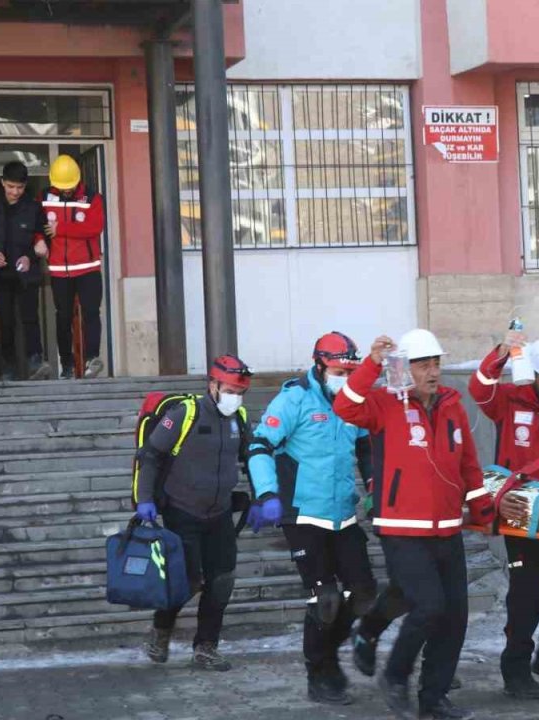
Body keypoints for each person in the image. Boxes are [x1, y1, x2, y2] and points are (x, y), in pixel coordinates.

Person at [333, 329, 495, 720]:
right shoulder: (385, 403)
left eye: (436, 363)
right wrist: (372, 364)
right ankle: (395, 675)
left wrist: (483, 508)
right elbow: (344, 405)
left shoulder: (453, 406)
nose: (433, 371)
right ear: (406, 368)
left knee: (455, 614)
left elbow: (468, 463)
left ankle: (433, 698)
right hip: (401, 527)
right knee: (428, 605)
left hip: (447, 527)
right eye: (423, 364)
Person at [245, 332, 380, 705]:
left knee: (364, 592)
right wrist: (268, 493)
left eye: (349, 371)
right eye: (338, 370)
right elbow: (259, 445)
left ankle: (330, 655)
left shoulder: (353, 400)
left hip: (342, 513)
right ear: (320, 364)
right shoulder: (294, 398)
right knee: (326, 596)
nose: (344, 378)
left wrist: (374, 487)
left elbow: (366, 447)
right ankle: (317, 673)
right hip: (304, 514)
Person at [467, 328, 539, 698]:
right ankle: (515, 671)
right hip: (521, 516)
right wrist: (500, 353)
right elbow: (480, 389)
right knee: (525, 598)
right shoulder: (509, 400)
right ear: (535, 372)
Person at [134, 354, 253, 672]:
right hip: (182, 511)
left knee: (222, 581)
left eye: (240, 391)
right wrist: (144, 499)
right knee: (188, 579)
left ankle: (206, 647)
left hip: (220, 514)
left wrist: (262, 496)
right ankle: (160, 632)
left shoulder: (238, 418)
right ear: (212, 384)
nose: (235, 397)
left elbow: (252, 457)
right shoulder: (185, 413)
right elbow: (151, 455)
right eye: (230, 389)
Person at [0, 161, 50, 381]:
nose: (15, 192)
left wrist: (32, 254)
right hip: (0, 275)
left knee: (30, 318)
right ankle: (7, 366)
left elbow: (43, 237)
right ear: (2, 182)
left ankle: (35, 361)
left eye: (19, 187)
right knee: (5, 322)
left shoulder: (34, 208)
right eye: (10, 187)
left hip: (26, 273)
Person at [41, 154, 105, 380]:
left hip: (88, 268)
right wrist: (38, 240)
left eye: (69, 187)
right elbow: (37, 226)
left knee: (91, 314)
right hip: (59, 270)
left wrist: (62, 229)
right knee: (63, 317)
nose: (66, 191)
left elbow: (94, 227)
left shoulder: (92, 198)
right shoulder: (45, 197)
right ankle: (66, 365)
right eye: (61, 187)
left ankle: (92, 359)